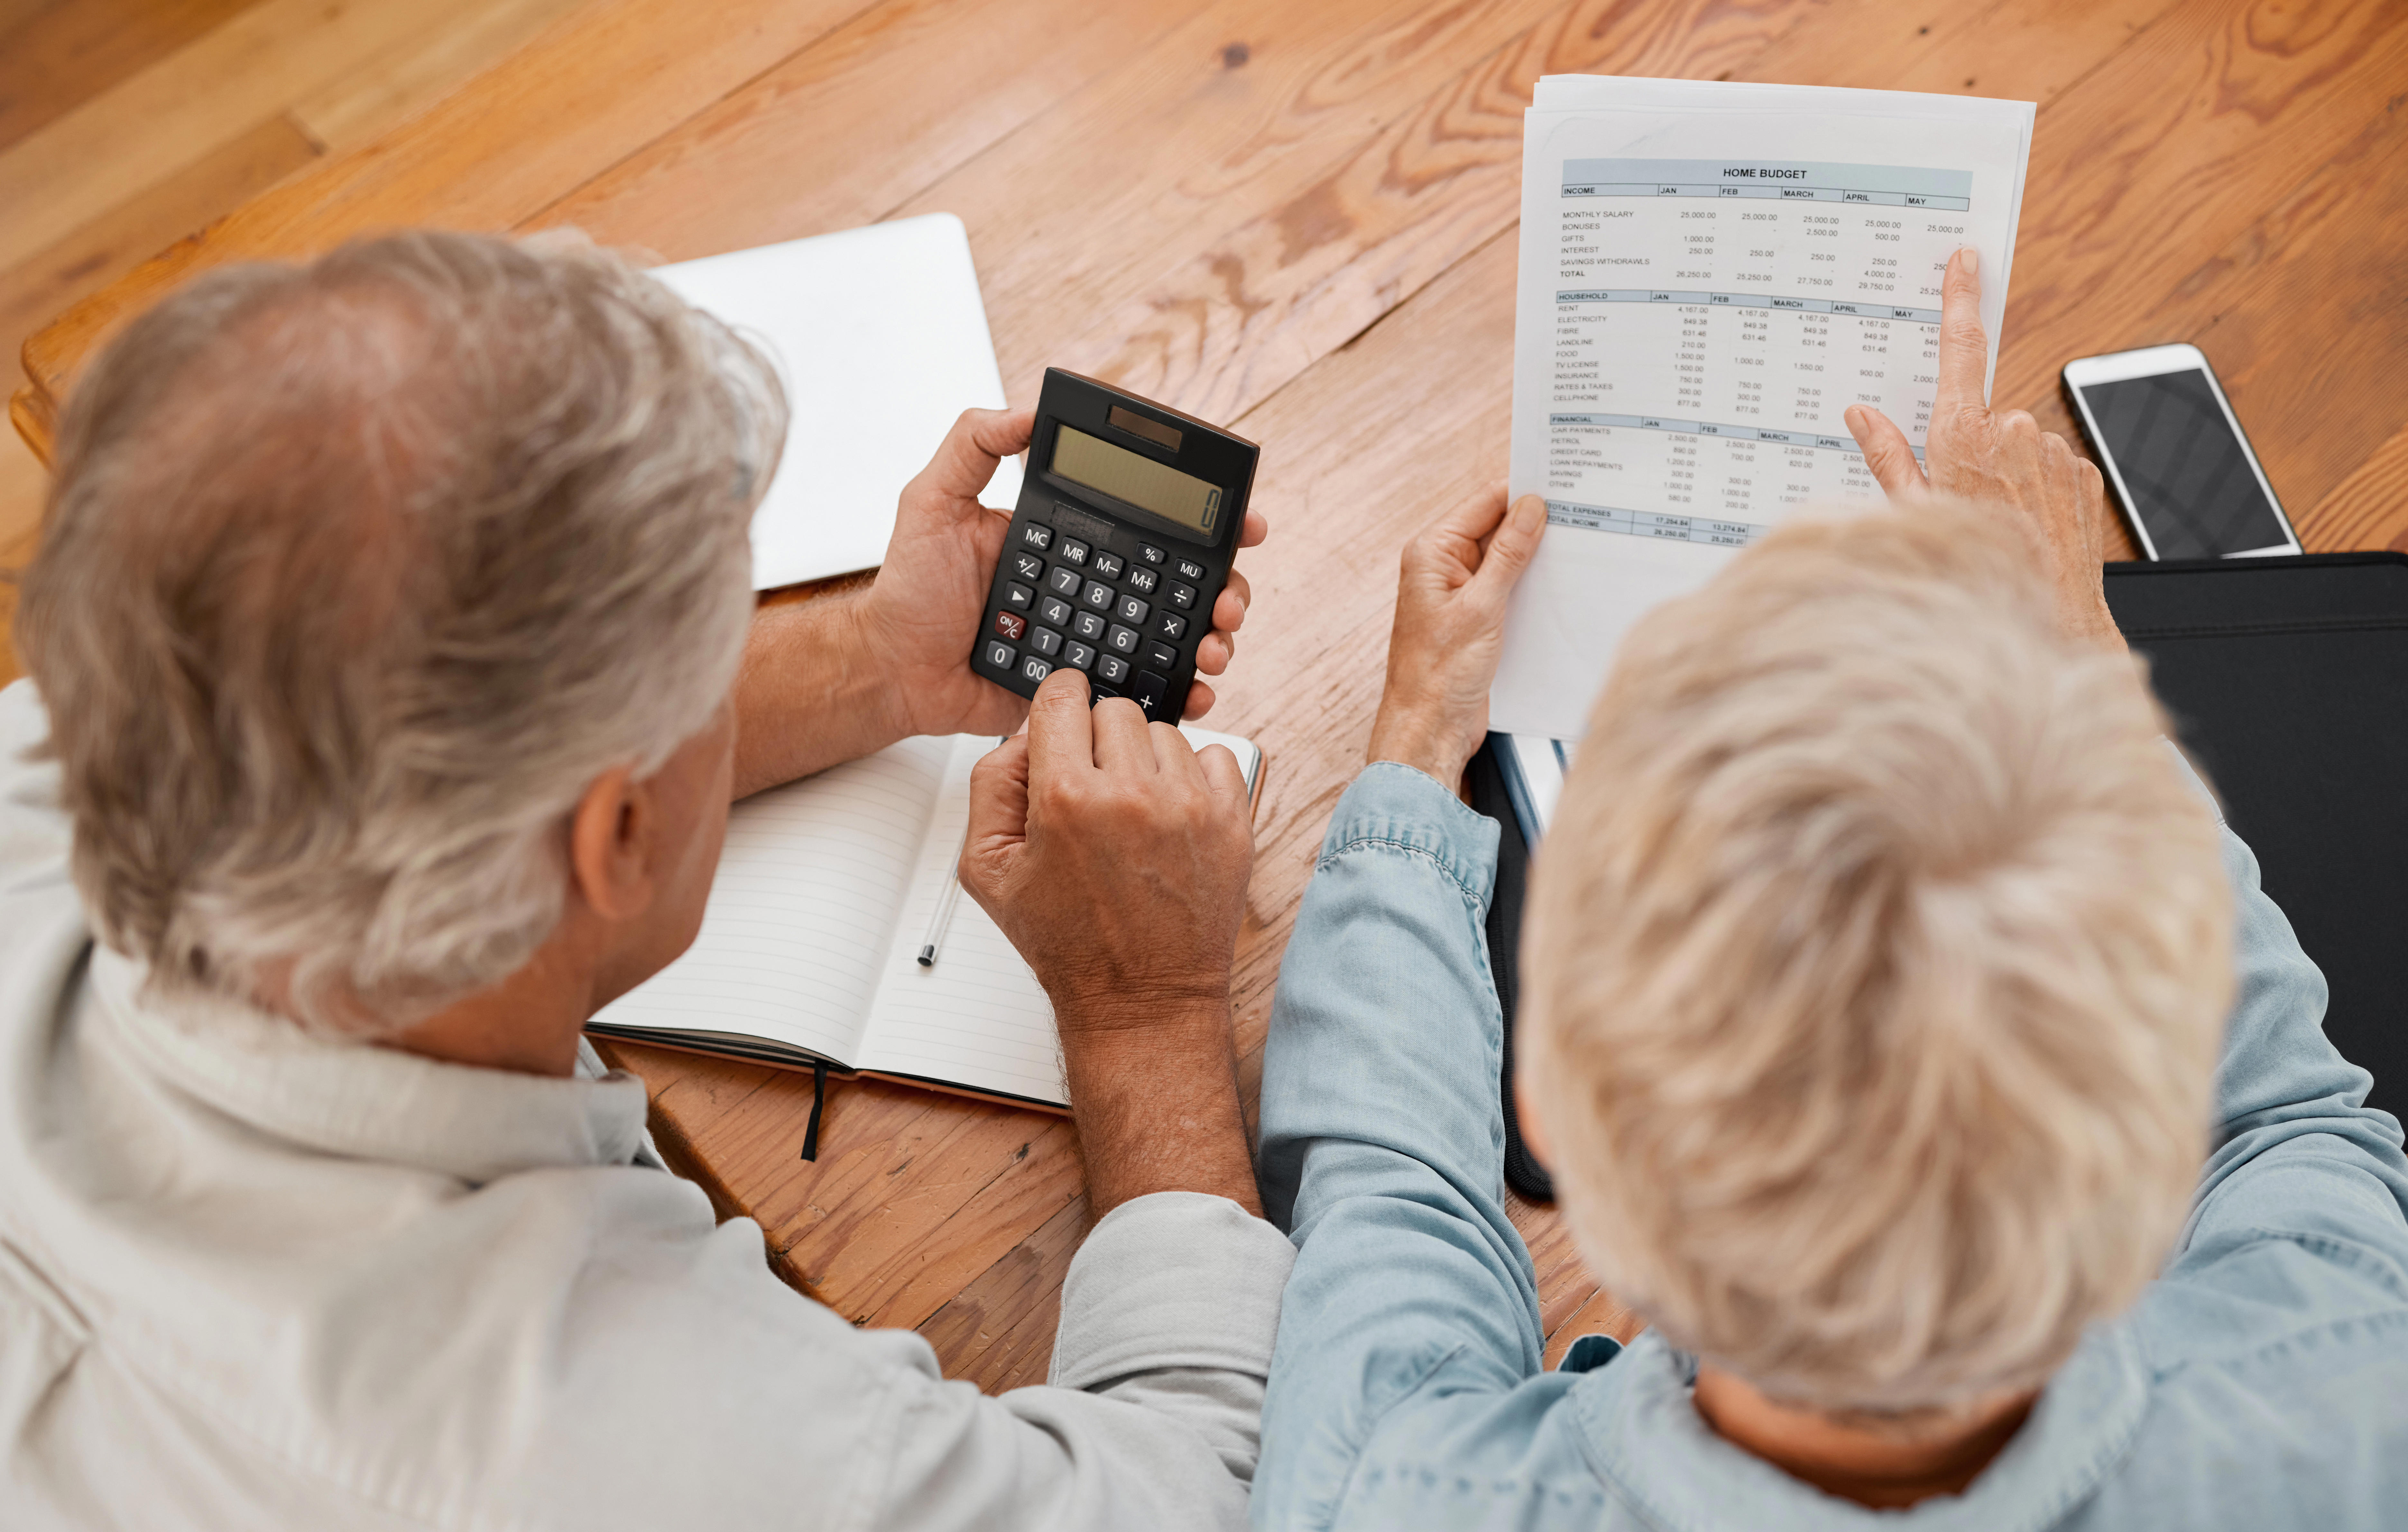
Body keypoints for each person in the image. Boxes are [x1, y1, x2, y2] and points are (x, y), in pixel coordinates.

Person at [0, 229, 1288, 1529]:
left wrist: (877, 663)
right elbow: (1210, 1496)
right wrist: (1147, 1011)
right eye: (714, 650)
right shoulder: (693, 1456)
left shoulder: (102, 721)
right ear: (613, 840)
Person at [1252, 248, 2408, 1529]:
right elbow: (2287, 1126)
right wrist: (2077, 657)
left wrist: (1417, 752)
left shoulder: (1397, 1501)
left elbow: (1387, 1206)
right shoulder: (2359, 1385)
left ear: (1552, 1105)